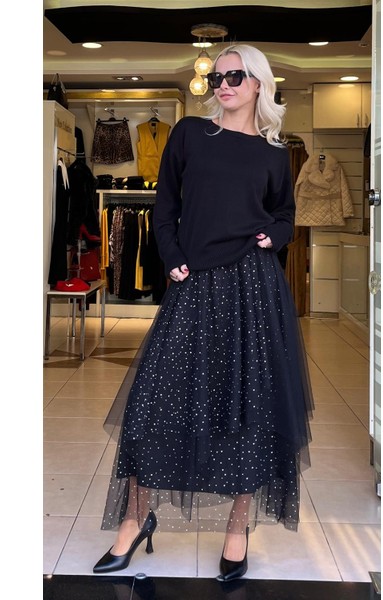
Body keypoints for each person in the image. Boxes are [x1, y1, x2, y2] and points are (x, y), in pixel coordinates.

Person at [93, 43, 313, 582]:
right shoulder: (190, 134)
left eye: (235, 76)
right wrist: (171, 257)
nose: (224, 85)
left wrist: (275, 235)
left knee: (251, 409)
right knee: (153, 406)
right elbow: (165, 205)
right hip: (192, 284)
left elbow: (286, 214)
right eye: (217, 77)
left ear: (259, 83)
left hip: (252, 288)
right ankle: (134, 519)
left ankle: (238, 530)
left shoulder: (272, 153)